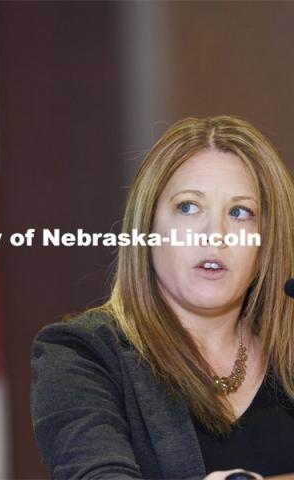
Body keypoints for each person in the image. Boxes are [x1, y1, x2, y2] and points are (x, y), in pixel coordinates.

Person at [30, 115, 294, 480]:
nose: (214, 235)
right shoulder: (81, 353)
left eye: (239, 213)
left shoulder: (287, 349)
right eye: (188, 207)